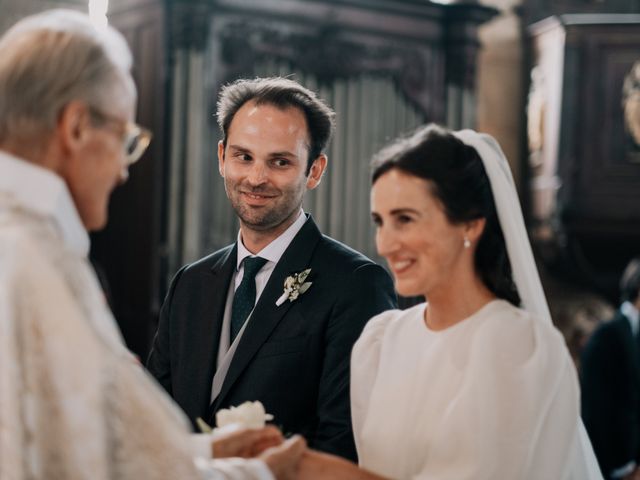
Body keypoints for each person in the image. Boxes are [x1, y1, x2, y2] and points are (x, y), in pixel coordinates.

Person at [0, 10, 305, 480]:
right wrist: (260, 474)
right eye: (123, 138)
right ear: (76, 127)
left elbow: (88, 437)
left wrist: (206, 448)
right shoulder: (35, 259)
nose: (124, 170)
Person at [296, 124, 603, 479]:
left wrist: (306, 466)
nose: (385, 244)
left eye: (405, 220)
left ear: (470, 225)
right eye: (381, 222)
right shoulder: (381, 341)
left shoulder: (518, 346)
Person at [147, 77, 397, 461]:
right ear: (221, 157)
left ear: (314, 170)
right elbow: (156, 421)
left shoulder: (356, 285)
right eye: (243, 156)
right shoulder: (189, 284)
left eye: (280, 162)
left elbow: (344, 442)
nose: (256, 178)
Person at [581, 257, 640, 480]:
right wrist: (624, 467)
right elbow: (599, 406)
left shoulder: (633, 333)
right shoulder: (608, 335)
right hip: (612, 467)